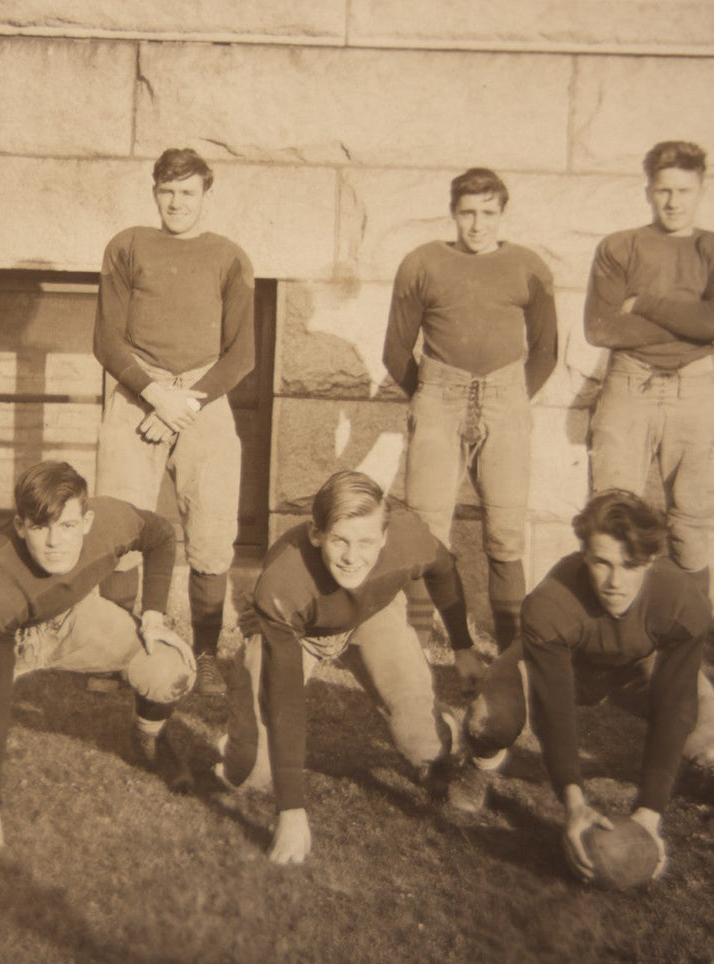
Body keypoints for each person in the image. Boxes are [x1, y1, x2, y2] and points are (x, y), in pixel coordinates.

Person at [0, 461, 198, 852]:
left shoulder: (112, 522)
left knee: (170, 670)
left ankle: (149, 739)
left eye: (66, 526)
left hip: (70, 617)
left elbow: (161, 535)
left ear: (86, 521)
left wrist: (153, 615)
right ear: (19, 526)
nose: (54, 542)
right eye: (39, 527)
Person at [217, 470, 483, 865]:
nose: (352, 556)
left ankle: (445, 730)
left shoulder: (408, 538)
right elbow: (286, 699)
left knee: (425, 745)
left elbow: (443, 570)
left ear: (386, 537)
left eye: (366, 542)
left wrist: (462, 648)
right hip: (300, 630)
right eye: (340, 540)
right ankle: (238, 734)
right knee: (250, 774)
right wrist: (291, 811)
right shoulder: (284, 583)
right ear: (316, 533)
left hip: (371, 613)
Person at [451, 489, 714, 882]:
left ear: (651, 560)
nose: (614, 582)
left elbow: (675, 708)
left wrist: (648, 813)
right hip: (561, 665)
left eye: (630, 565)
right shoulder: (551, 602)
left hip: (634, 666)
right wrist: (573, 802)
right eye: (601, 563)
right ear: (584, 554)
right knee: (490, 719)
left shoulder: (681, 601)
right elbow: (553, 712)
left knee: (705, 727)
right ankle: (479, 764)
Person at [93, 147, 258, 697]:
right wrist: (155, 394)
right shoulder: (127, 246)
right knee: (120, 524)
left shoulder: (229, 257)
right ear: (154, 191)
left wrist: (183, 404)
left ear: (206, 195)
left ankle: (207, 654)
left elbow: (242, 356)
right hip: (139, 392)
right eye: (168, 190)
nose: (177, 202)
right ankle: (115, 651)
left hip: (204, 399)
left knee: (211, 533)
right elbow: (106, 340)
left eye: (188, 192)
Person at [383, 167, 558, 650]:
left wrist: (512, 397)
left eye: (488, 213)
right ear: (453, 213)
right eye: (467, 213)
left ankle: (510, 654)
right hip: (440, 395)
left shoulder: (528, 266)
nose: (477, 225)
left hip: (506, 401)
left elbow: (546, 351)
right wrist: (431, 395)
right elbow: (396, 351)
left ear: (503, 213)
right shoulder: (423, 262)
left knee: (504, 534)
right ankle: (425, 645)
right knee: (423, 534)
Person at [586, 141, 714, 590]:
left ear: (701, 190)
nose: (673, 201)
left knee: (694, 520)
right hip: (630, 383)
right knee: (612, 512)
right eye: (663, 190)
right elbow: (602, 329)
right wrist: (694, 325)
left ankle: (693, 640)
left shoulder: (710, 248)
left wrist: (643, 304)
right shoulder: (620, 246)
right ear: (648, 191)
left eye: (683, 190)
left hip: (697, 389)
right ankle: (617, 643)